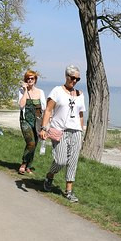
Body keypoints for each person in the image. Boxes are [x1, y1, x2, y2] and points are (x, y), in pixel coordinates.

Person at [39, 65, 86, 203]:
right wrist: (43, 128)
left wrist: (81, 129)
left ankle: (69, 191)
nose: (75, 81)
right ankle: (50, 175)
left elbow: (81, 114)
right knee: (60, 160)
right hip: (59, 130)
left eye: (78, 79)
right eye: (73, 78)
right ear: (66, 76)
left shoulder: (80, 94)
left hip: (76, 131)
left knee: (72, 162)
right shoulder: (57, 91)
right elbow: (48, 110)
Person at [18, 69, 44, 174]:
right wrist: (25, 91)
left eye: (32, 78)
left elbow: (44, 108)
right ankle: (24, 163)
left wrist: (45, 123)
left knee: (35, 143)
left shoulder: (40, 92)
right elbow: (21, 105)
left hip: (37, 121)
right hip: (25, 120)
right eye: (28, 78)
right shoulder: (21, 91)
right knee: (31, 143)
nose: (30, 80)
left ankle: (29, 166)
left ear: (35, 80)